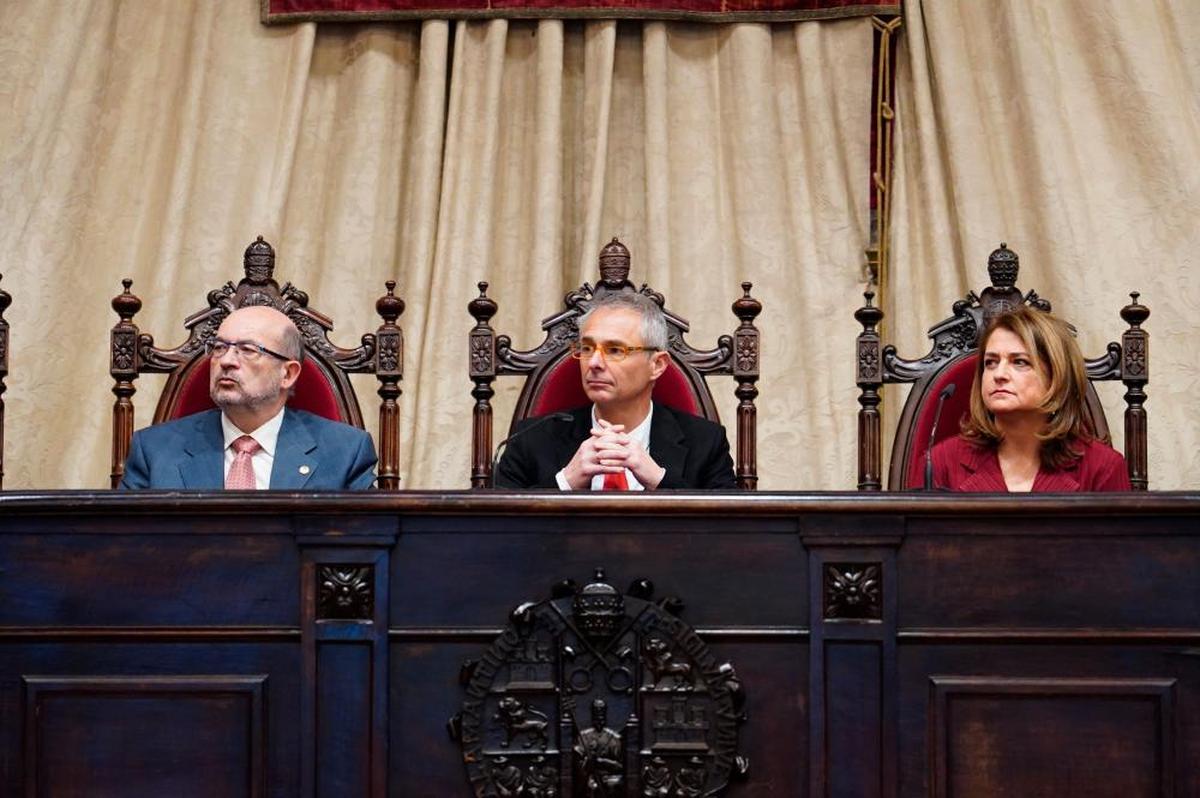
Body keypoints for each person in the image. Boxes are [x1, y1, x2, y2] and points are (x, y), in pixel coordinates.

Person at [494, 292, 737, 490]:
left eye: (615, 350)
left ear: (657, 365)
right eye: (587, 348)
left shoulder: (706, 443)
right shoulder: (530, 439)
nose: (594, 363)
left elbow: (728, 536)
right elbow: (498, 530)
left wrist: (660, 481)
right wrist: (565, 482)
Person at [121, 305, 377, 489]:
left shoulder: (345, 453)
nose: (227, 361)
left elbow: (364, 552)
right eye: (220, 347)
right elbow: (127, 551)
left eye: (247, 350)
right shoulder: (154, 451)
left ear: (287, 374)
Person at [931, 305, 1130, 492]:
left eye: (1019, 362)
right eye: (990, 362)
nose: (998, 374)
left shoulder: (1103, 468)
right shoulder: (940, 463)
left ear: (1056, 376)